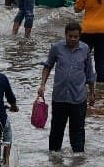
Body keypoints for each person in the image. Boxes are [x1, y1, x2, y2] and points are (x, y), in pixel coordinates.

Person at [37, 22, 96, 153]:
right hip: (60, 97)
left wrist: (92, 93)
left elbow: (89, 73)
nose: (73, 39)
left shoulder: (85, 49)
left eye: (76, 37)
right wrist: (42, 85)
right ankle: (54, 159)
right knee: (56, 130)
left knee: (78, 131)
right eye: (70, 36)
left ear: (79, 36)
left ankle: (78, 159)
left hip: (78, 98)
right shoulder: (56, 48)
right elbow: (47, 66)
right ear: (65, 35)